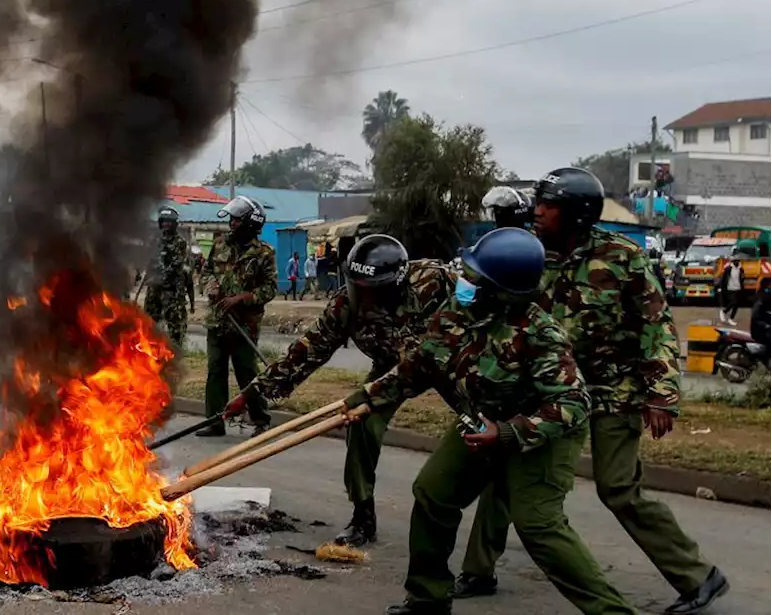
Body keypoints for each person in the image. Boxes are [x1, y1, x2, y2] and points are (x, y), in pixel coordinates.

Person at [456, 167, 729, 614]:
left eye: (549, 205)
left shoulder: (621, 257)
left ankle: (698, 576)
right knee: (509, 467)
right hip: (554, 389)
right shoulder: (531, 253)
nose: (538, 211)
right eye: (538, 203)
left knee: (618, 488)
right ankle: (478, 570)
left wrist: (661, 394)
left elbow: (656, 328)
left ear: (577, 214)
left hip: (612, 392)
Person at [341, 227, 635, 615]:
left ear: (501, 291)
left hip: (541, 433)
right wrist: (366, 398)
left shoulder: (539, 335)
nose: (463, 280)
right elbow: (420, 365)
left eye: (473, 277)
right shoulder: (457, 311)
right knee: (433, 493)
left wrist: (510, 432)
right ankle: (428, 599)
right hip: (483, 421)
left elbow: (573, 402)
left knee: (538, 526)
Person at [239, 234, 454, 547]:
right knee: (361, 422)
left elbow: (471, 327)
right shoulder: (347, 302)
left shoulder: (434, 283)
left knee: (484, 435)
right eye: (356, 287)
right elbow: (307, 350)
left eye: (370, 291)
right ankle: (363, 516)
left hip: (450, 363)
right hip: (391, 365)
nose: (361, 297)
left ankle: (483, 561)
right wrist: (253, 392)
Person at [198, 195, 276, 437]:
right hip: (217, 321)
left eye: (236, 220)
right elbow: (206, 271)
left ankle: (261, 420)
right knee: (215, 372)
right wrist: (209, 284)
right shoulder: (219, 244)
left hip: (244, 324)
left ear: (250, 223)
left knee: (247, 373)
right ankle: (214, 421)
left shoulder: (263, 253)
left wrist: (242, 298)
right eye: (231, 219)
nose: (231, 223)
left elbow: (270, 288)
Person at [144, 207, 193, 347]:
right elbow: (150, 261)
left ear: (174, 224)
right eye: (164, 222)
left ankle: (175, 352)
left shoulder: (180, 242)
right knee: (149, 321)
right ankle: (149, 350)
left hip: (173, 291)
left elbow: (175, 267)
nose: (166, 225)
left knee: (175, 324)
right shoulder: (155, 241)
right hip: (154, 289)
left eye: (169, 222)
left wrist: (159, 278)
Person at [716, 257, 744, 326]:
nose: (737, 262)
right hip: (730, 289)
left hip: (738, 289)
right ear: (733, 262)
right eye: (735, 261)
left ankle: (731, 319)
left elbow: (742, 278)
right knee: (733, 302)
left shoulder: (741, 269)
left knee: (736, 305)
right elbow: (723, 279)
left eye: (738, 261)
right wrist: (720, 288)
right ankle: (724, 311)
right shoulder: (728, 269)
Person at [751, 278, 772, 347]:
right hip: (761, 330)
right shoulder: (763, 297)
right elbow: (755, 317)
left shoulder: (765, 296)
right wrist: (766, 325)